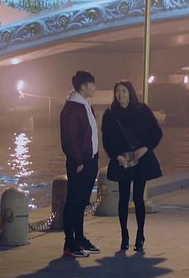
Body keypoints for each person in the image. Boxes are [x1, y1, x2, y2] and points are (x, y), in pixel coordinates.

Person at [101, 80, 163, 252]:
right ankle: (124, 235)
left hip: (140, 160)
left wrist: (145, 148)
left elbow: (157, 132)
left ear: (130, 93)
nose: (120, 95)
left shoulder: (142, 110)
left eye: (124, 91)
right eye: (117, 91)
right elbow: (107, 139)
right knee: (123, 199)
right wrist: (117, 156)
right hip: (122, 161)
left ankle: (140, 235)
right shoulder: (110, 114)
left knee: (138, 198)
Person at [59, 70, 101, 258]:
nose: (95, 88)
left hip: (90, 160)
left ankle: (80, 238)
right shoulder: (72, 108)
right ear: (83, 87)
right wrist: (78, 161)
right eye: (92, 85)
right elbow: (70, 138)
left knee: (82, 201)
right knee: (73, 202)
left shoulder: (86, 105)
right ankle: (70, 243)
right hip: (80, 163)